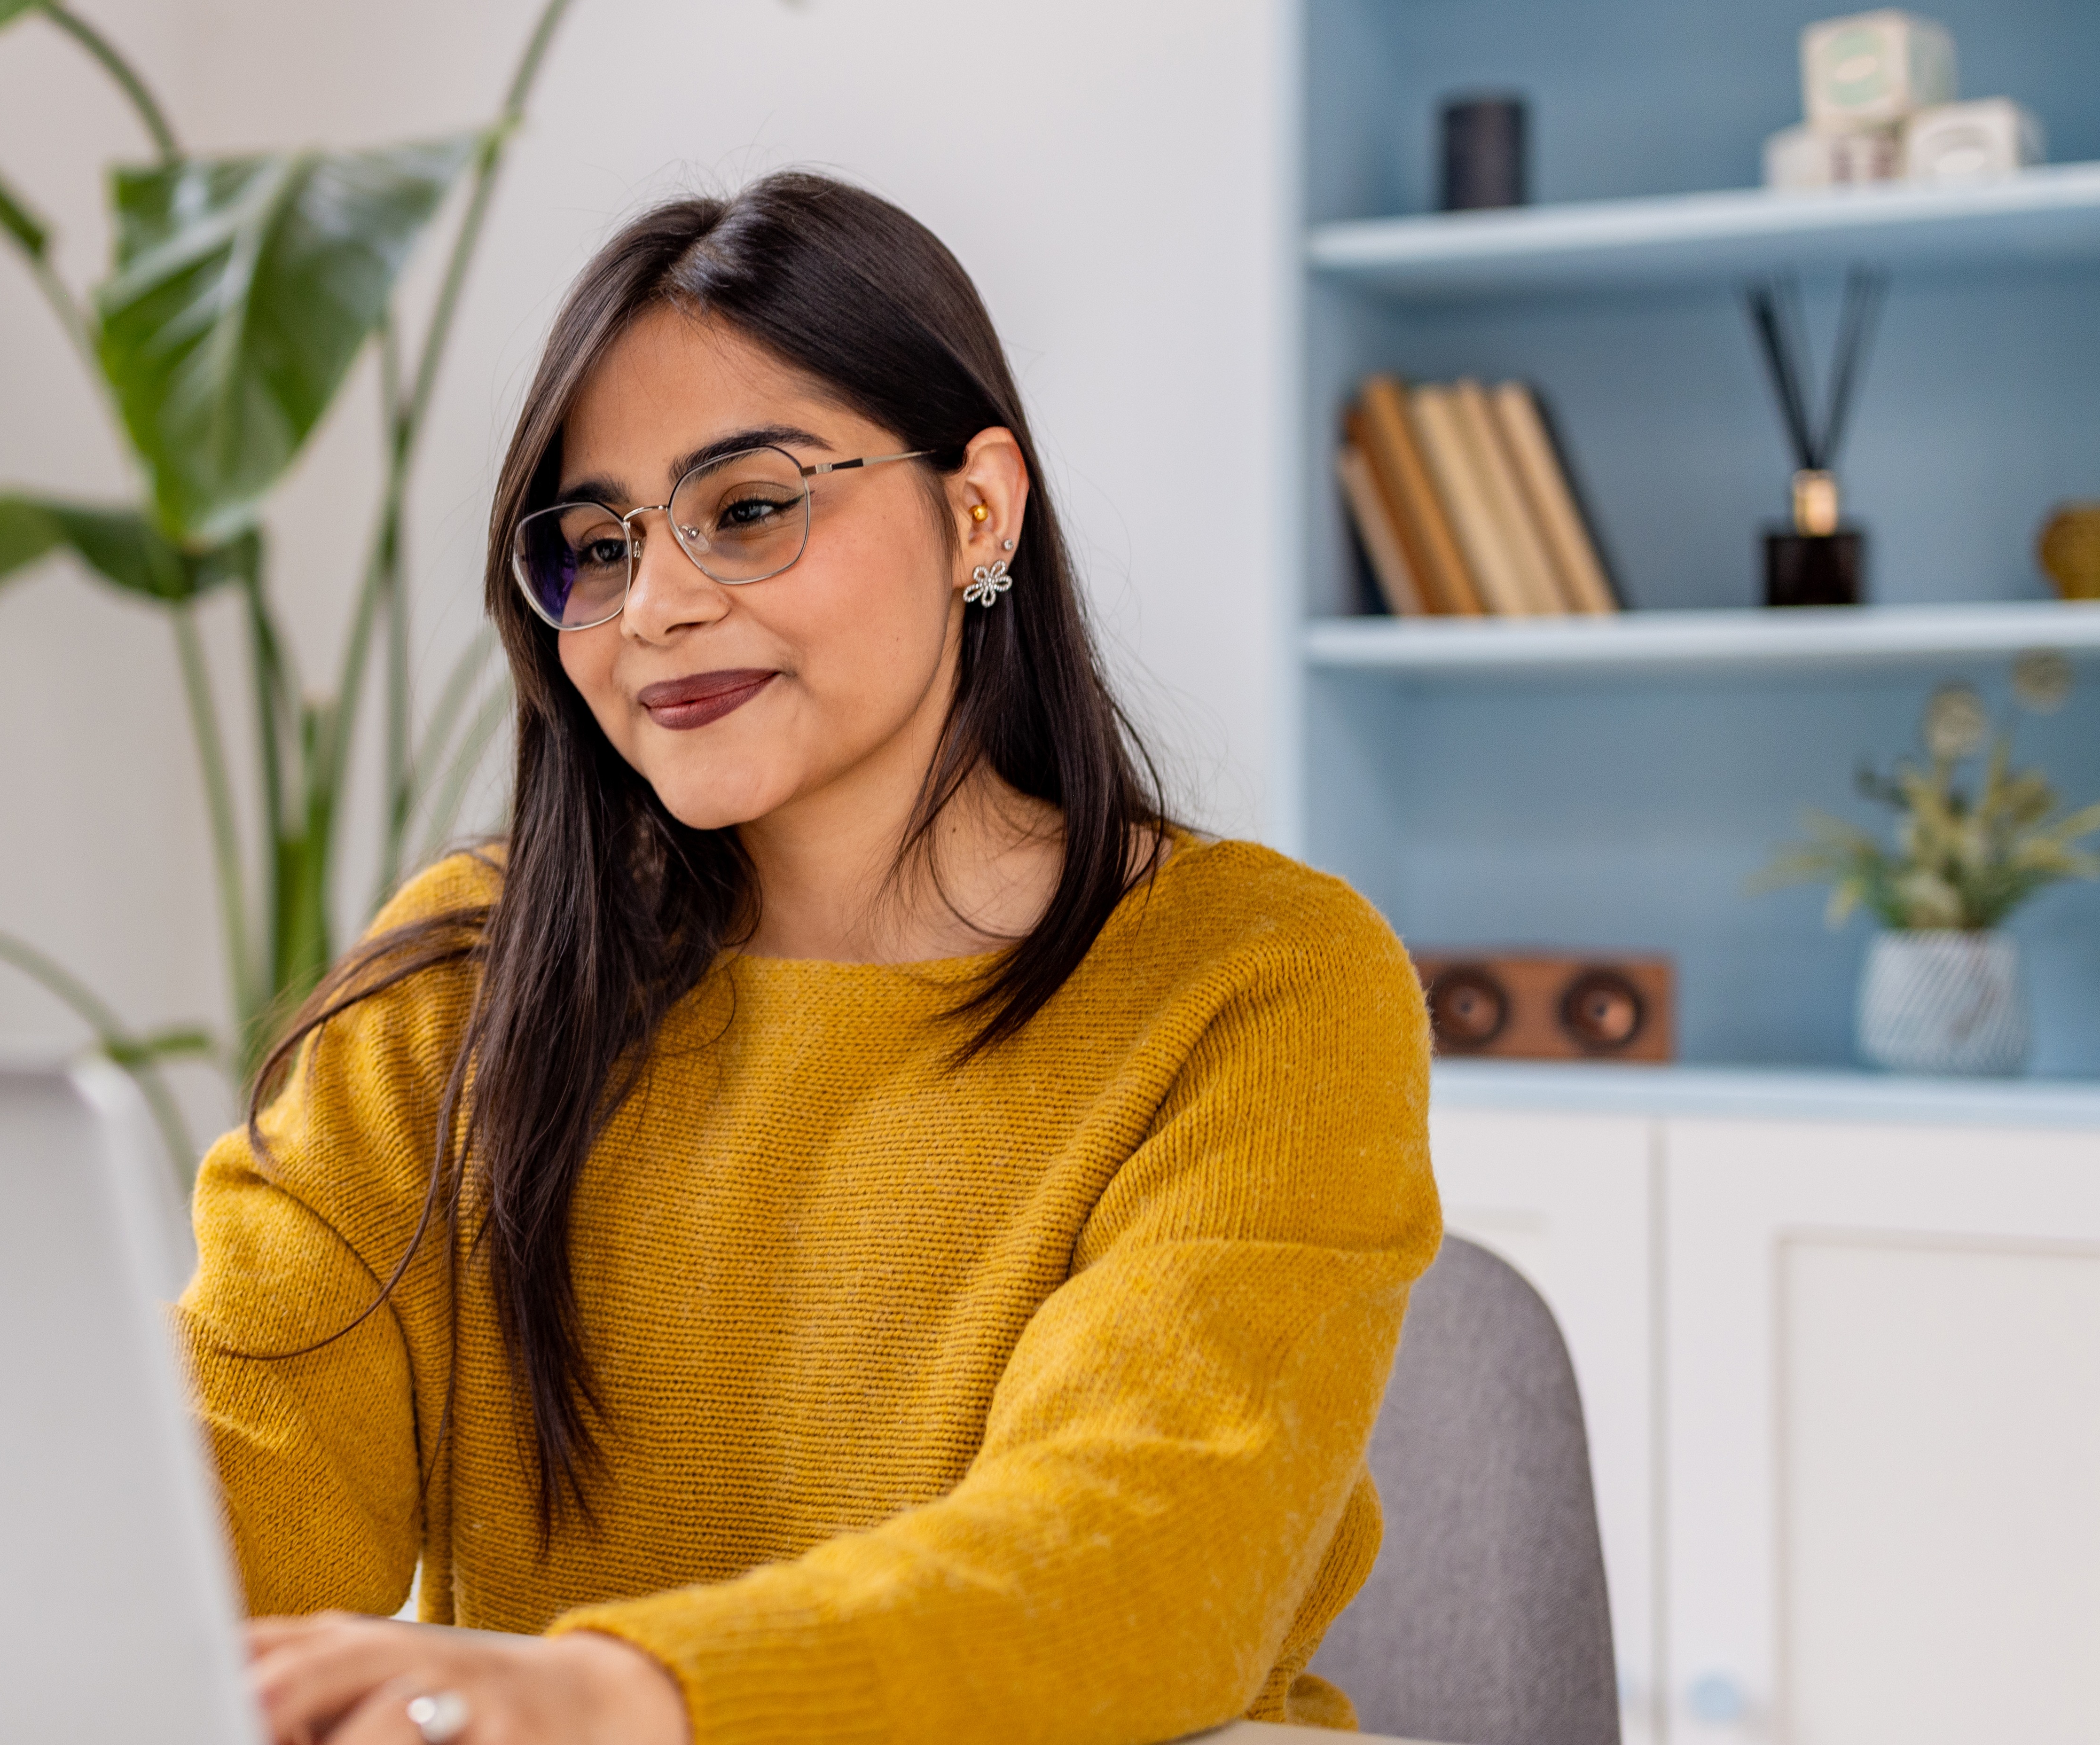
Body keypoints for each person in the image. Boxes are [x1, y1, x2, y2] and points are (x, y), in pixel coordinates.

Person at [186, 172, 1440, 1745]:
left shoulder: (1261, 981)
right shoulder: (465, 976)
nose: (656, 605)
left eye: (751, 508)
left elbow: (1140, 1556)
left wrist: (626, 1692)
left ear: (978, 505)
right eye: (596, 542)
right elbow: (246, 1462)